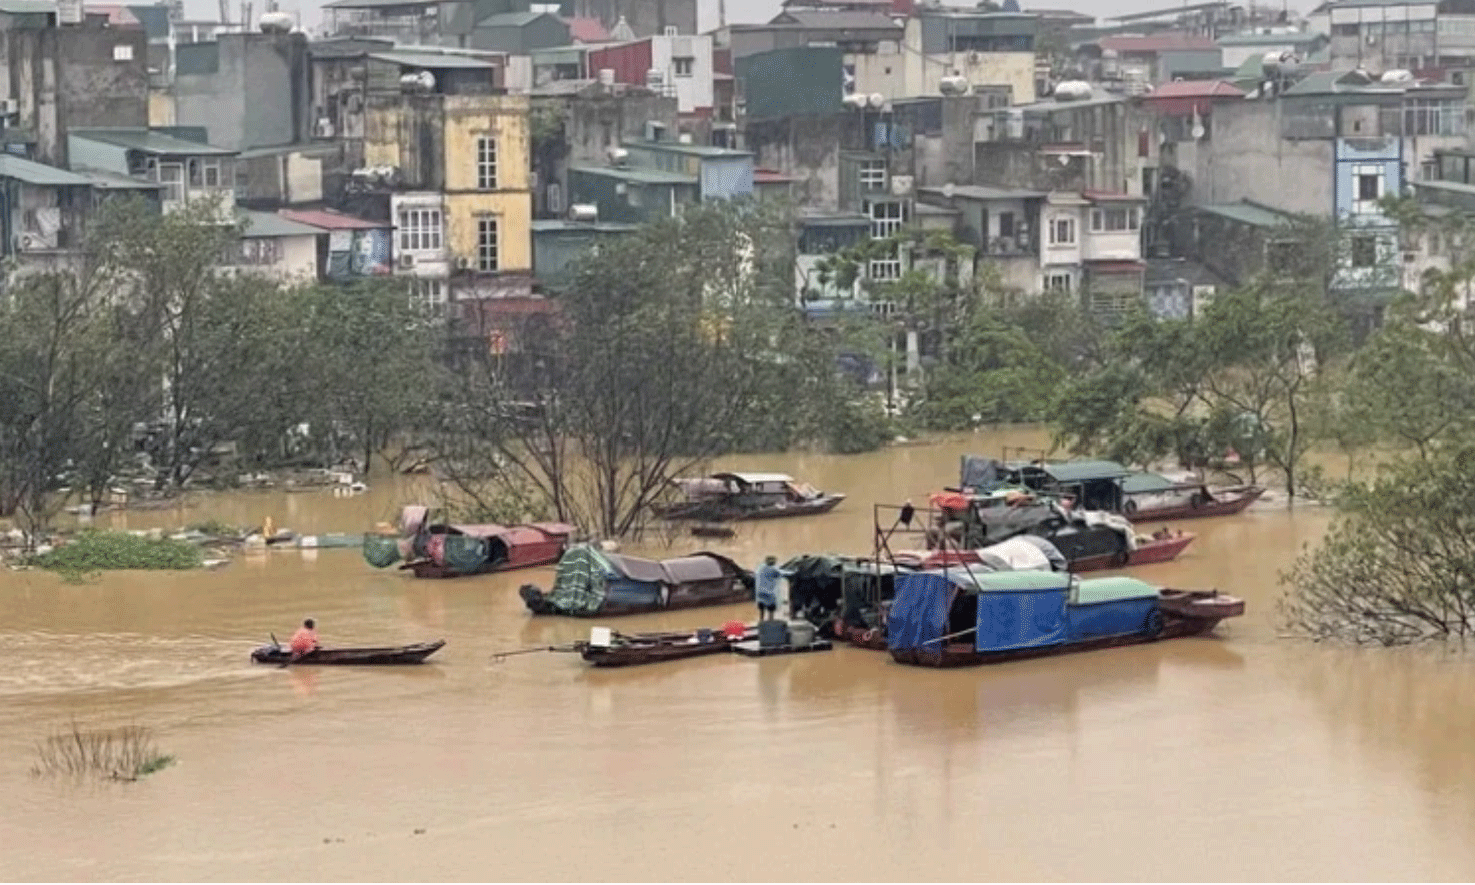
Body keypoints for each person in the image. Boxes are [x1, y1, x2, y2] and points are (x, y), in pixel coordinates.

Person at [755, 555, 784, 622]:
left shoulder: (760, 567)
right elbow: (780, 575)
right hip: (769, 593)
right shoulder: (773, 569)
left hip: (760, 592)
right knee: (771, 610)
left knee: (761, 610)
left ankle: (761, 622)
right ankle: (770, 622)